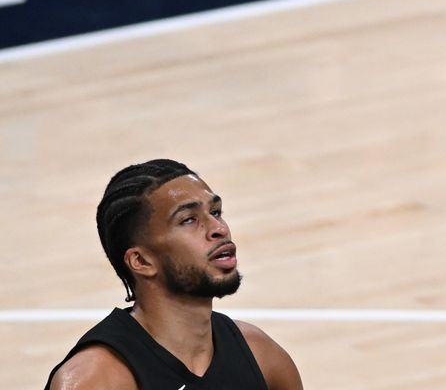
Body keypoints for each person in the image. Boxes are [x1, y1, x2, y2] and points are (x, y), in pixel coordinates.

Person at [45, 158, 303, 390]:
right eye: (188, 219)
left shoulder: (261, 356)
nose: (219, 228)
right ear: (142, 261)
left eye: (215, 212)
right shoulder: (97, 380)